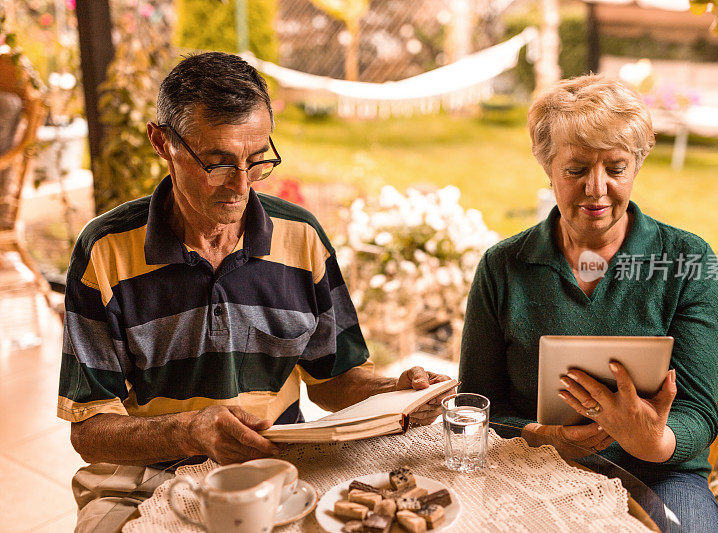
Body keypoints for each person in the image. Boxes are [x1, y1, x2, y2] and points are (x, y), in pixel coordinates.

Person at [57, 52, 449, 532]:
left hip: (280, 471)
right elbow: (91, 432)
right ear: (162, 142)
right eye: (218, 162)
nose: (241, 186)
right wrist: (190, 431)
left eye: (257, 159)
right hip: (145, 479)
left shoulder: (301, 237)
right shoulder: (105, 250)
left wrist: (396, 391)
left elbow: (334, 379)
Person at [459, 74, 718, 533]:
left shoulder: (687, 259)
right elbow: (477, 405)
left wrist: (653, 441)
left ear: (636, 167)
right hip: (533, 468)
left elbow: (699, 413)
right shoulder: (504, 266)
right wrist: (540, 437)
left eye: (616, 169)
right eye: (576, 169)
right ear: (548, 168)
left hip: (660, 474)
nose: (596, 189)